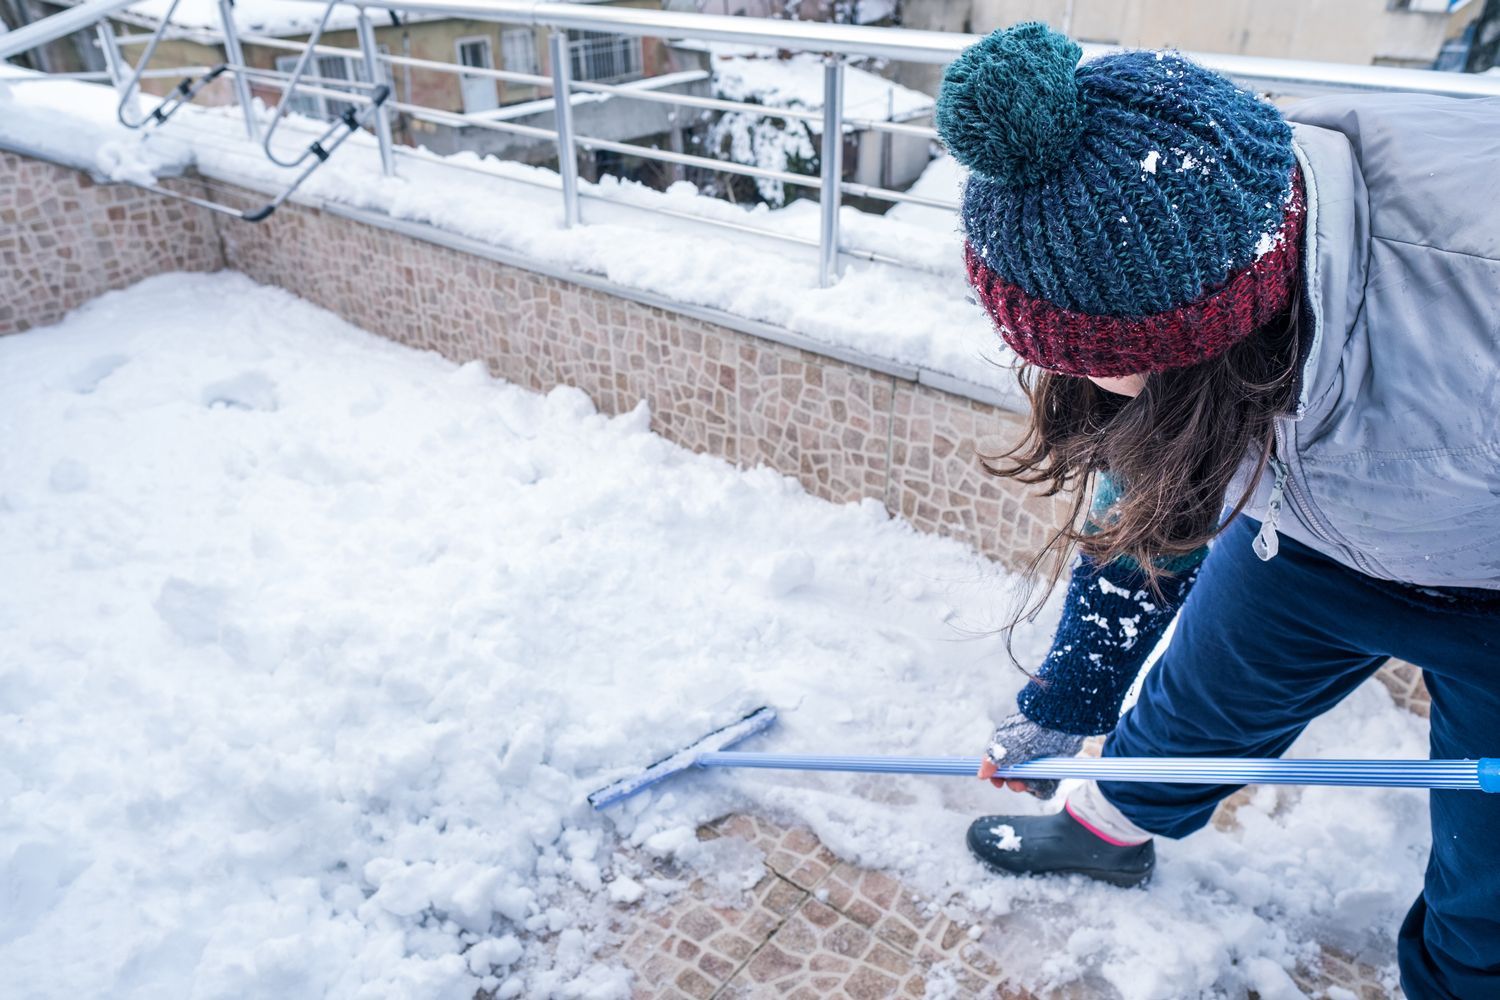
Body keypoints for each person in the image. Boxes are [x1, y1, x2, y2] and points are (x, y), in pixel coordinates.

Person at [933, 22, 1500, 998]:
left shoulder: (1474, 291)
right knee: (1189, 712)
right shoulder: (1199, 262)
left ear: (1203, 344)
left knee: (1487, 884)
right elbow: (1149, 492)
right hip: (1313, 547)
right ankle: (1105, 830)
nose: (1075, 384)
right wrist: (1071, 696)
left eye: (1090, 365)